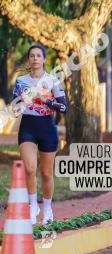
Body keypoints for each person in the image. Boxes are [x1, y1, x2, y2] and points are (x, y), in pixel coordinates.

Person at [12, 44, 68, 224]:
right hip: (28, 126)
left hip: (47, 128)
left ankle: (47, 208)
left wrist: (47, 100)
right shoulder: (21, 81)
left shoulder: (53, 81)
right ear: (29, 60)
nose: (35, 58)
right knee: (29, 168)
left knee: (46, 173)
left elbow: (64, 107)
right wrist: (21, 102)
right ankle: (32, 206)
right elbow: (14, 108)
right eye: (32, 56)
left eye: (38, 55)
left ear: (44, 59)